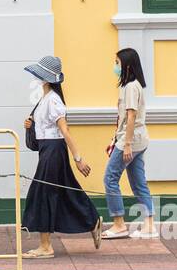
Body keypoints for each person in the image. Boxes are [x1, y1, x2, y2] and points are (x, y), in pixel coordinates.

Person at [20, 56, 103, 258]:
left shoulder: (54, 100)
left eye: (40, 74)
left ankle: (46, 246)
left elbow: (65, 130)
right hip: (48, 150)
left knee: (43, 194)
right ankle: (92, 221)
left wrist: (78, 159)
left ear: (47, 78)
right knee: (67, 191)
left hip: (53, 151)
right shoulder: (45, 99)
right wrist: (31, 125)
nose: (37, 77)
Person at [102, 48, 157, 239]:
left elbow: (131, 116)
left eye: (117, 63)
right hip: (139, 139)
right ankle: (149, 224)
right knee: (138, 181)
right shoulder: (132, 86)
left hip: (131, 140)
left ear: (126, 65)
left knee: (110, 178)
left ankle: (119, 224)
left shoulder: (131, 87)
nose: (115, 67)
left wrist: (126, 144)